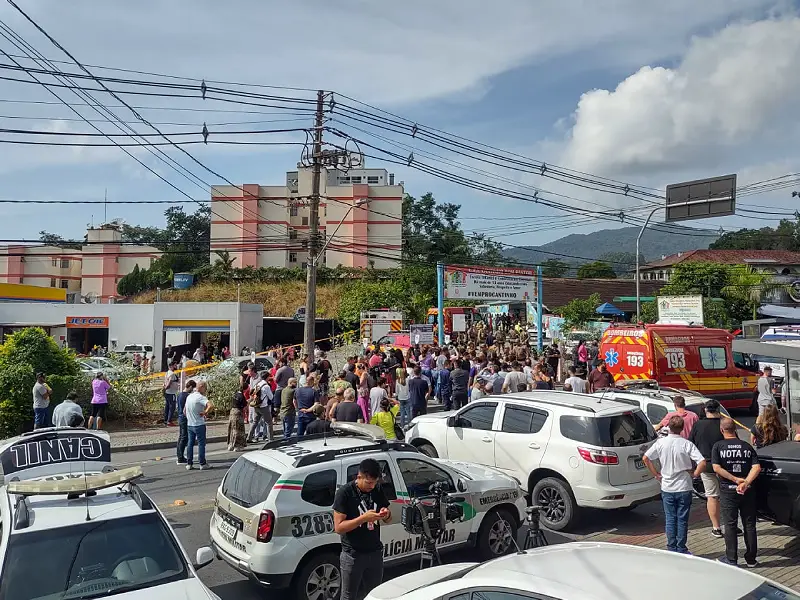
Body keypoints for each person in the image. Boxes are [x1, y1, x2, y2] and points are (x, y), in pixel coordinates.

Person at [642, 415, 706, 554]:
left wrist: (656, 474)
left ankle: (671, 547)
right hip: (684, 485)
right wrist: (695, 474)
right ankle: (681, 547)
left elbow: (646, 458)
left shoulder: (660, 443)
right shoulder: (686, 444)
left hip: (667, 486)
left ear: (669, 427)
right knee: (682, 519)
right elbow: (702, 462)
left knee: (670, 518)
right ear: (682, 428)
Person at [333, 458, 392, 600]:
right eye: (368, 482)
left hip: (375, 552)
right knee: (348, 596)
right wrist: (363, 519)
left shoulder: (377, 489)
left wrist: (386, 514)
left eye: (374, 482)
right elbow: (339, 528)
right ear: (359, 477)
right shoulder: (345, 493)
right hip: (353, 555)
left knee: (375, 594)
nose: (371, 486)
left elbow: (388, 519)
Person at [712, 417, 762, 567]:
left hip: (728, 490)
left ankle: (731, 559)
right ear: (735, 429)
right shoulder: (746, 446)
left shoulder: (718, 446)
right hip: (747, 491)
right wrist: (746, 482)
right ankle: (751, 559)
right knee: (749, 524)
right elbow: (756, 467)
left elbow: (716, 468)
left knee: (730, 524)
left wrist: (735, 480)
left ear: (722, 430)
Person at [688, 399, 726, 538]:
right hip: (724, 465)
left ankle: (716, 527)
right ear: (718, 410)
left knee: (712, 496)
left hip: (706, 465)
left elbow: (690, 444)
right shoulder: (725, 424)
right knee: (728, 495)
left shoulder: (698, 425)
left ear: (705, 410)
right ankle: (731, 524)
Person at [185, 380, 214, 470]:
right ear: (201, 387)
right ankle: (202, 463)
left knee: (190, 443)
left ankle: (189, 463)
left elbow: (184, 411)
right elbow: (211, 405)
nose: (205, 390)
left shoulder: (189, 396)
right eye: (205, 388)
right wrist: (205, 412)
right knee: (201, 444)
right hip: (199, 424)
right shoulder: (201, 397)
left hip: (190, 424)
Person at [176, 379, 196, 465]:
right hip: (185, 418)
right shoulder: (187, 396)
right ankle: (180, 457)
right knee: (184, 437)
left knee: (181, 437)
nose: (192, 390)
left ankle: (179, 455)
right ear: (190, 387)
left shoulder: (180, 394)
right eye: (193, 388)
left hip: (180, 417)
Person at [296, 374, 320, 438]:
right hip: (311, 415)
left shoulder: (298, 390)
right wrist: (308, 410)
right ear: (312, 382)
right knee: (310, 435)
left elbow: (294, 401)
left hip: (300, 414)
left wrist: (298, 408)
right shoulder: (314, 391)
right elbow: (316, 404)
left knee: (300, 433)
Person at [228, 383, 247, 451]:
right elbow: (244, 406)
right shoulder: (242, 396)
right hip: (238, 412)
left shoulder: (235, 394)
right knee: (238, 429)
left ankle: (231, 444)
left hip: (232, 411)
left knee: (232, 428)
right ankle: (237, 446)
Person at [163, 361, 180, 426]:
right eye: (175, 365)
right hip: (171, 393)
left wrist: (164, 390)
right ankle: (169, 421)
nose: (176, 366)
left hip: (168, 393)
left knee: (167, 406)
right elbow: (169, 383)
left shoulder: (167, 373)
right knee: (172, 407)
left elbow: (165, 382)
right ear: (171, 366)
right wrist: (166, 388)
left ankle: (166, 420)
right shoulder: (172, 374)